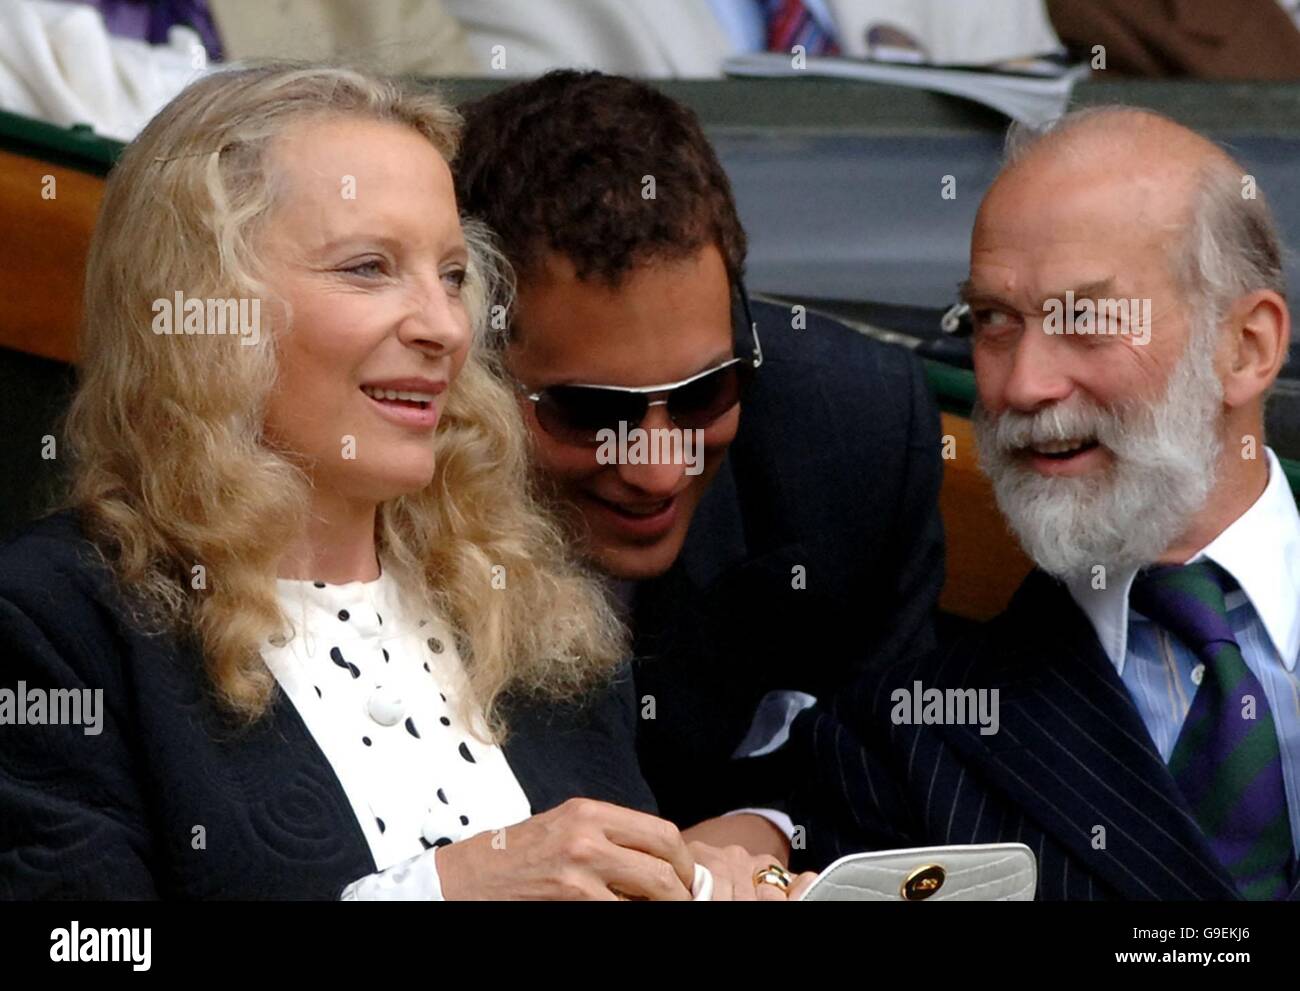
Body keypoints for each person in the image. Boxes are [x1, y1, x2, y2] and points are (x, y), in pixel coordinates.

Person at [0, 63, 799, 901]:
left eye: (453, 275)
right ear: (203, 307)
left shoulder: (530, 609)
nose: (444, 326)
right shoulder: (52, 619)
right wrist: (441, 892)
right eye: (369, 268)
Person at [789, 106, 1300, 900]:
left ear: (1246, 347)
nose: (1022, 385)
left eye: (1086, 319)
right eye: (994, 322)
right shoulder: (897, 745)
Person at [454, 70, 945, 862]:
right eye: (594, 412)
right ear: (470, 369)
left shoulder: (850, 439)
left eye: (703, 393)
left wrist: (773, 827)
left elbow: (907, 767)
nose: (655, 466)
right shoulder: (383, 492)